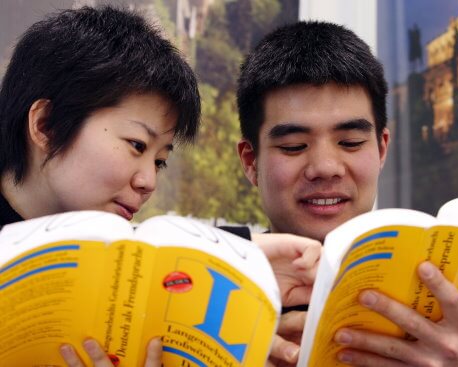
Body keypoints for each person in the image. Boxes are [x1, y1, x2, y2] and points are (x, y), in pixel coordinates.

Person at [0, 6, 320, 367]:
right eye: (137, 145)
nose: (148, 182)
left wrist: (244, 254)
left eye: (159, 160)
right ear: (46, 126)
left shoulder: (108, 254)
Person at [237, 21, 458, 367]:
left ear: (381, 150)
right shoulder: (207, 300)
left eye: (350, 143)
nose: (325, 167)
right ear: (250, 160)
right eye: (293, 146)